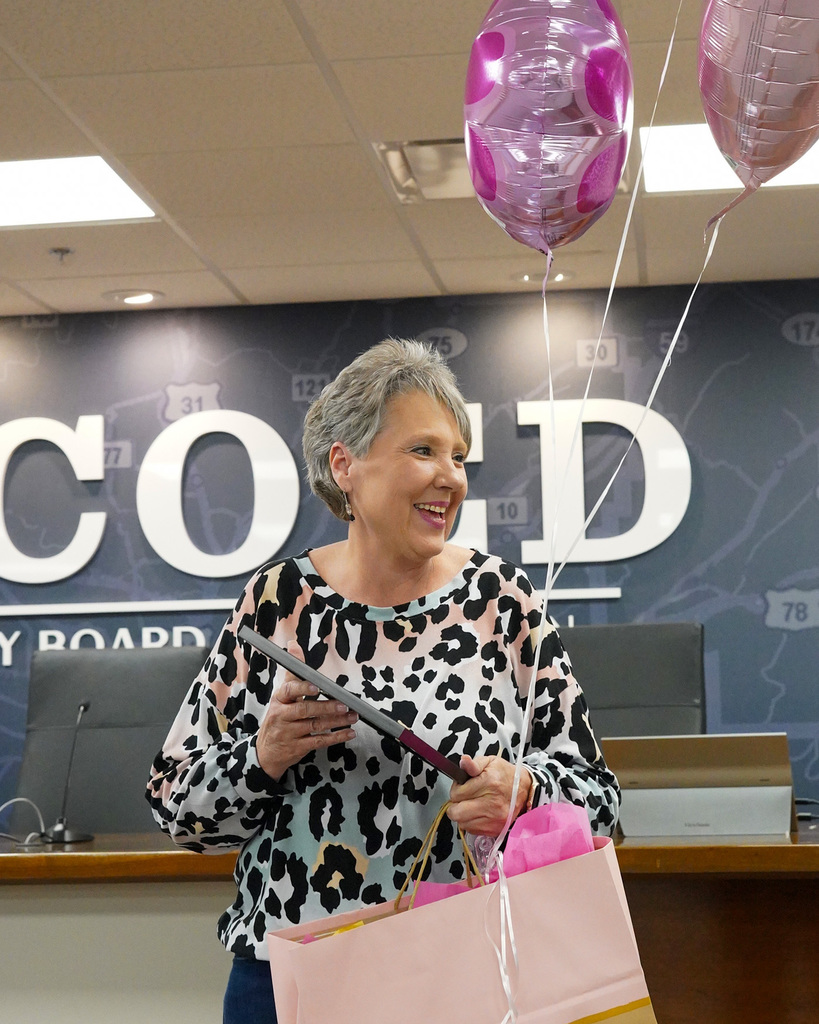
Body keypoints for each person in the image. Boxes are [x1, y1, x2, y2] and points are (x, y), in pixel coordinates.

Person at [146, 337, 620, 1024]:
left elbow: (600, 799)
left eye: (458, 457)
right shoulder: (279, 600)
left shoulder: (501, 598)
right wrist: (262, 757)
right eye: (422, 451)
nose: (451, 477)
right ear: (346, 464)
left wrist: (527, 789)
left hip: (467, 972)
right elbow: (177, 808)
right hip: (294, 978)